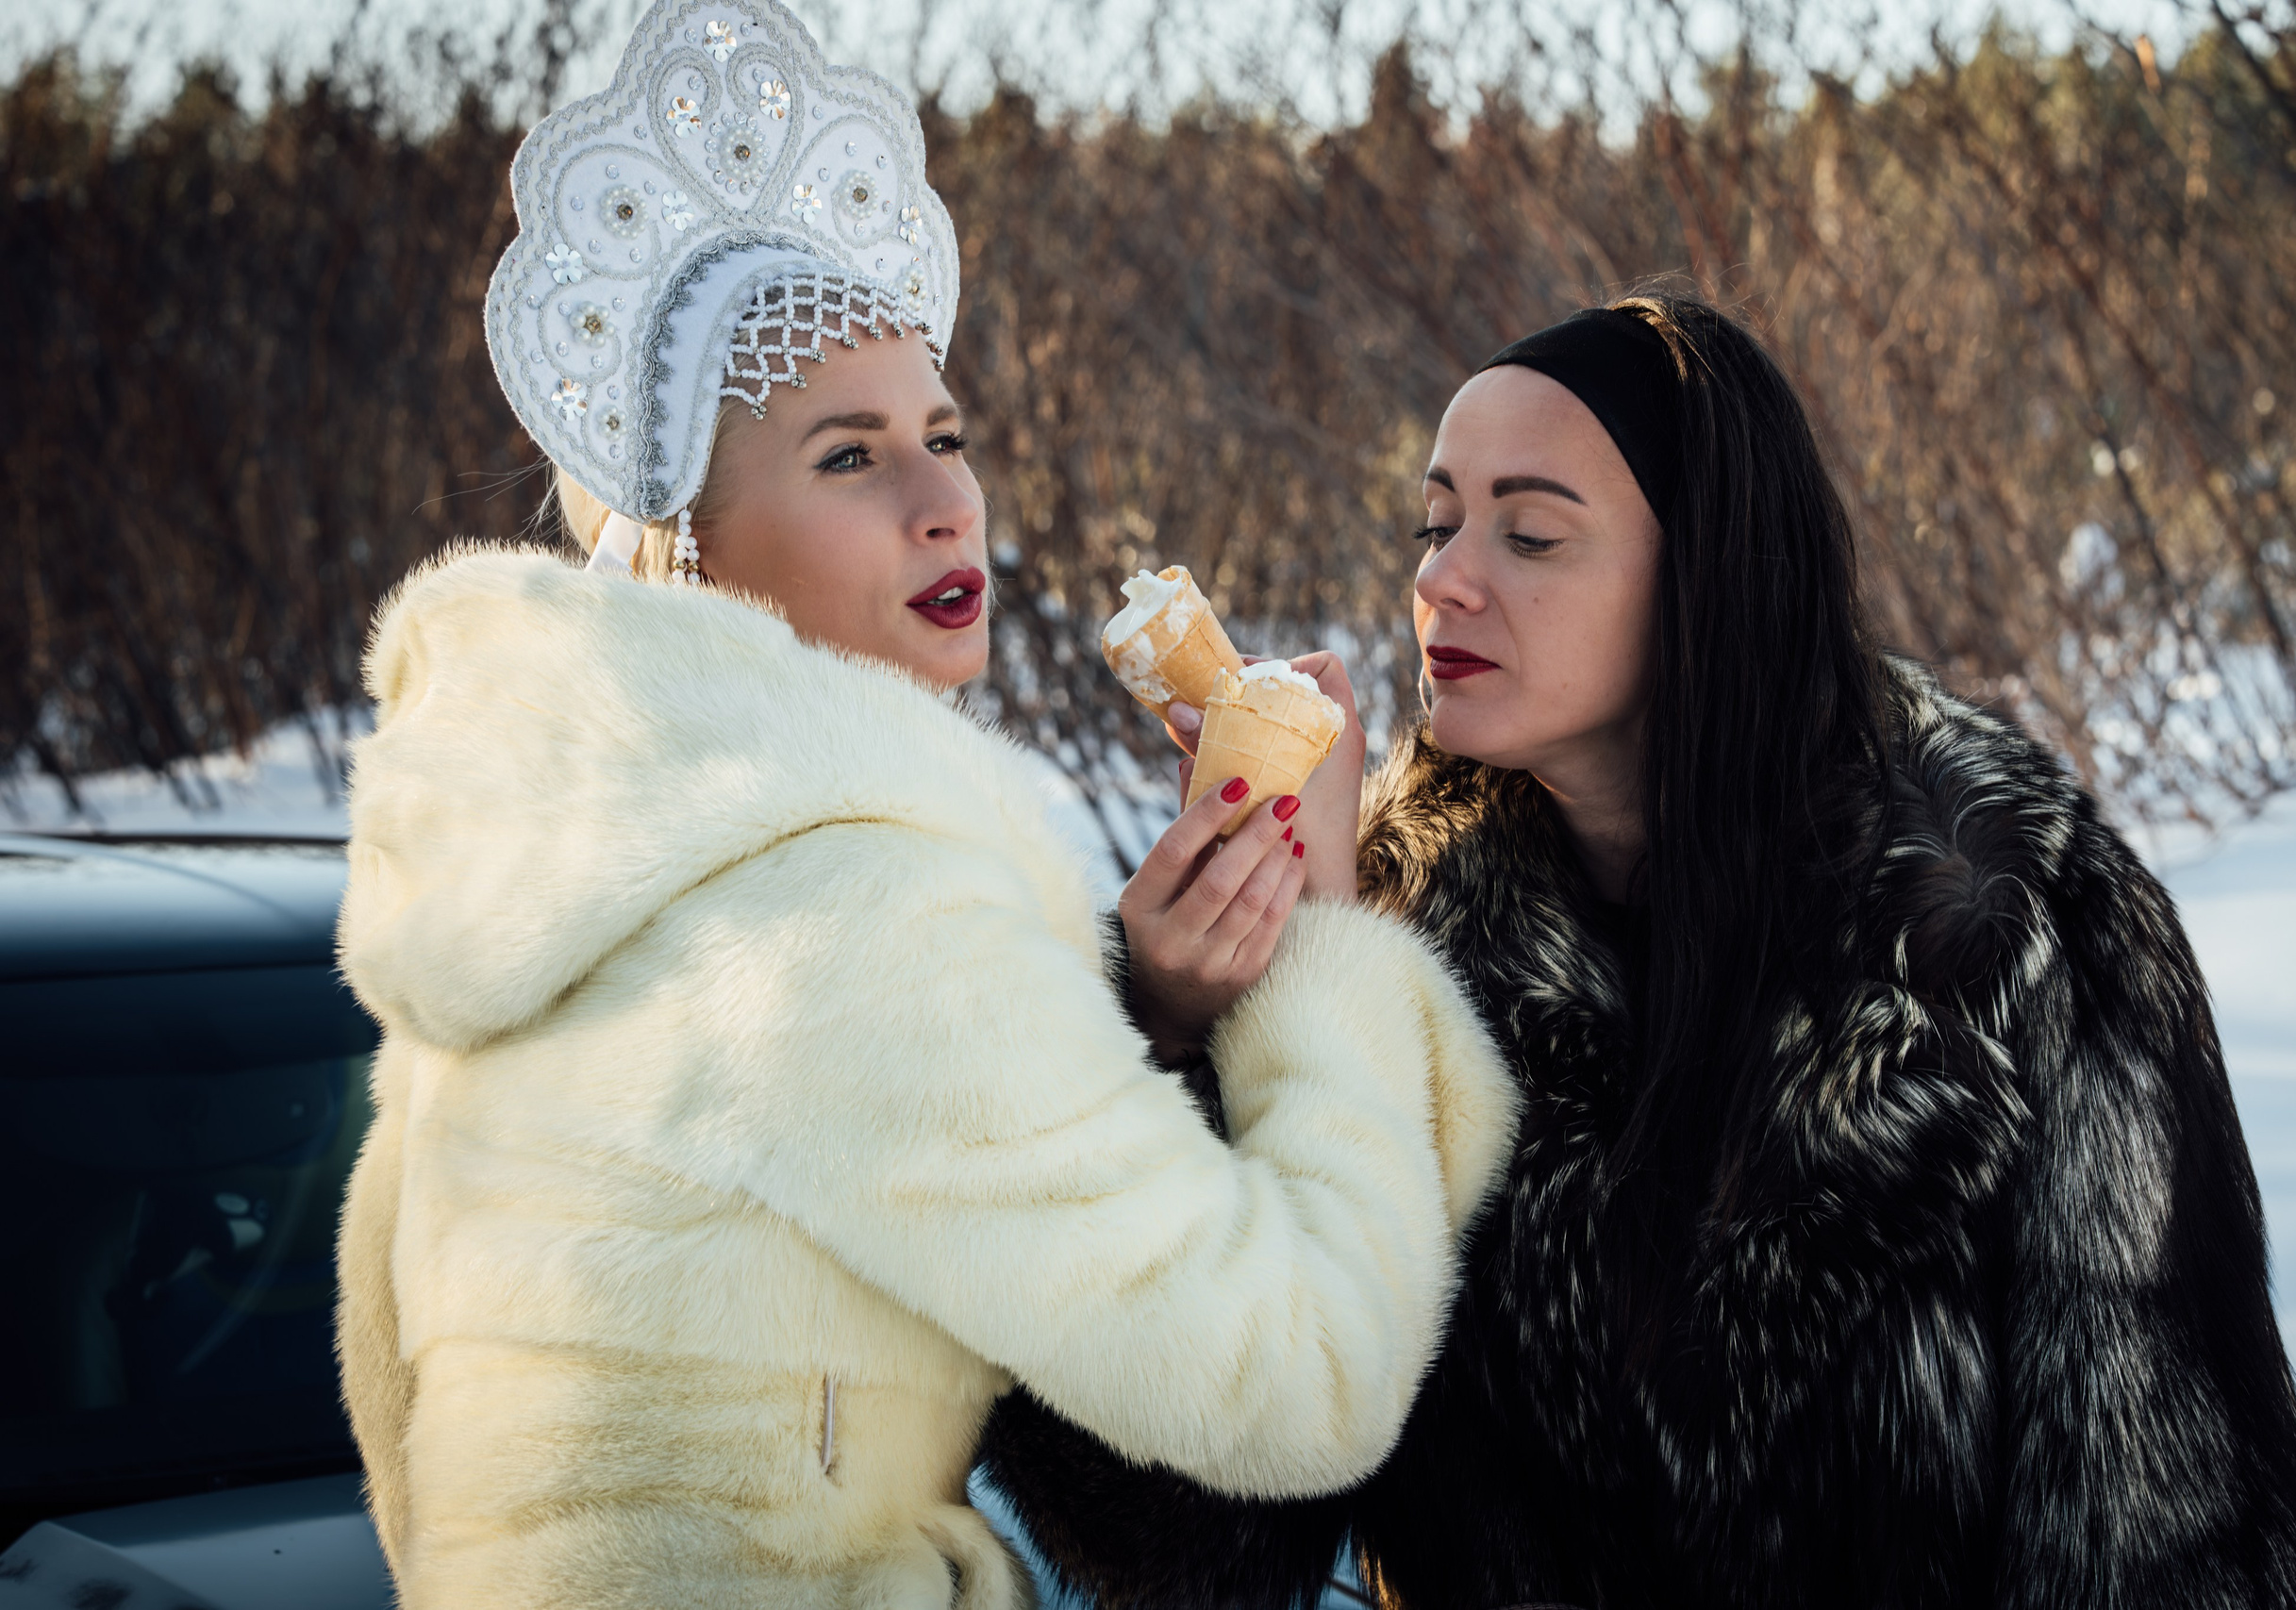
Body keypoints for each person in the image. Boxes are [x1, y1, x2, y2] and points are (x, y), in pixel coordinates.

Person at [330, 4, 1517, 1606]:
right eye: (848, 456)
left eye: (944, 436)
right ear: (688, 546)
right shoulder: (858, 905)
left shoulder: (543, 882)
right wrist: (1317, 945)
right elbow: (1297, 1376)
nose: (946, 495)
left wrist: (1144, 1007)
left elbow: (415, 1437)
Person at [979, 291, 2296, 1609]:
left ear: (1709, 571)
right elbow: (1194, 1537)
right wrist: (1192, 1013)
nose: (1441, 578)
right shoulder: (1388, 925)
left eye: (1531, 535)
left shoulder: (2014, 924)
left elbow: (2170, 1526)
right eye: (1438, 522)